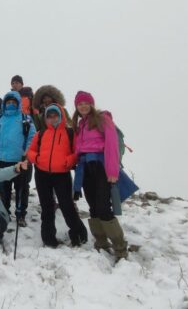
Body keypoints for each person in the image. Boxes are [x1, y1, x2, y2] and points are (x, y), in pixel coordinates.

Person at [72, 91, 129, 260]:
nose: (82, 106)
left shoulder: (103, 119)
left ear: (91, 104)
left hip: (100, 168)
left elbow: (111, 145)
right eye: (79, 103)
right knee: (93, 207)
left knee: (104, 208)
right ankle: (101, 243)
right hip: (85, 168)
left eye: (85, 103)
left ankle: (120, 248)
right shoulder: (80, 124)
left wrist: (113, 172)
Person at [26, 104, 88, 247]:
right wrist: (37, 158)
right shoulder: (40, 134)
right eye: (49, 116)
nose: (52, 118)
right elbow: (31, 151)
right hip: (42, 175)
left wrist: (69, 160)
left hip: (62, 175)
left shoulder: (70, 133)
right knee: (47, 207)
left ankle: (78, 234)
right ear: (46, 118)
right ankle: (48, 238)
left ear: (61, 116)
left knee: (67, 206)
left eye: (55, 115)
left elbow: (76, 152)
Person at [0, 91, 36, 227]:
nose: (11, 104)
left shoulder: (25, 118)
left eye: (14, 102)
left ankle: (20, 214)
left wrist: (26, 154)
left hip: (19, 159)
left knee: (21, 189)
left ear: (18, 103)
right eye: (8, 102)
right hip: (2, 159)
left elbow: (32, 137)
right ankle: (4, 212)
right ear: (4, 103)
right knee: (3, 189)